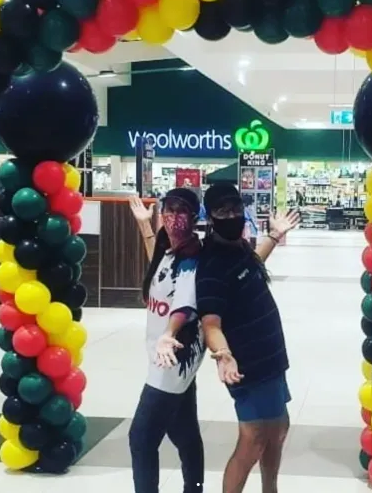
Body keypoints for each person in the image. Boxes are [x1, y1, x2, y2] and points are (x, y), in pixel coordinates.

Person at [195, 182, 299, 493]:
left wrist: (274, 236)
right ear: (210, 217)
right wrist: (223, 354)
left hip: (271, 359)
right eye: (222, 211)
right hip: (248, 366)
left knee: (278, 429)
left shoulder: (237, 247)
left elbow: (251, 266)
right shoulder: (212, 264)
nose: (231, 216)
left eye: (236, 209)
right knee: (253, 437)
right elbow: (210, 323)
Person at [128, 189, 205, 493]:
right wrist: (144, 225)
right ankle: (194, 488)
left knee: (141, 437)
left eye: (181, 210)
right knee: (184, 433)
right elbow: (159, 269)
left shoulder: (192, 258)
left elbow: (185, 304)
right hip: (164, 356)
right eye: (169, 210)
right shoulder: (170, 251)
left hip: (173, 358)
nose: (174, 217)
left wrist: (169, 334)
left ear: (194, 217)